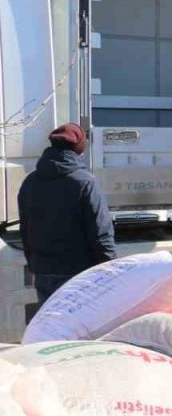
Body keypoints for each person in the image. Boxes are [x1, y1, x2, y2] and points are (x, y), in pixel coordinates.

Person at [17, 123, 116, 308]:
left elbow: (25, 230)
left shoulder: (30, 182)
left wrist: (34, 265)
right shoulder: (85, 182)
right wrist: (111, 270)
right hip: (77, 272)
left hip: (43, 271)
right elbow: (100, 232)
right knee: (78, 330)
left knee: (52, 327)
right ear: (79, 149)